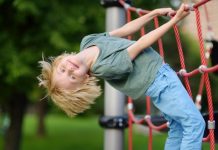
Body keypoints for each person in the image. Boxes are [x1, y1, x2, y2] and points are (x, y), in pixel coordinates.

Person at [38, 4, 205, 150]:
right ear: (84, 80)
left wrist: (154, 13)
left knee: (178, 128)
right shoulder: (104, 67)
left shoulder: (87, 42)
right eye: (73, 78)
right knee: (195, 123)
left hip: (160, 79)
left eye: (62, 70)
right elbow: (140, 43)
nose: (70, 70)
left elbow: (125, 30)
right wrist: (175, 20)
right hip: (161, 82)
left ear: (59, 61)